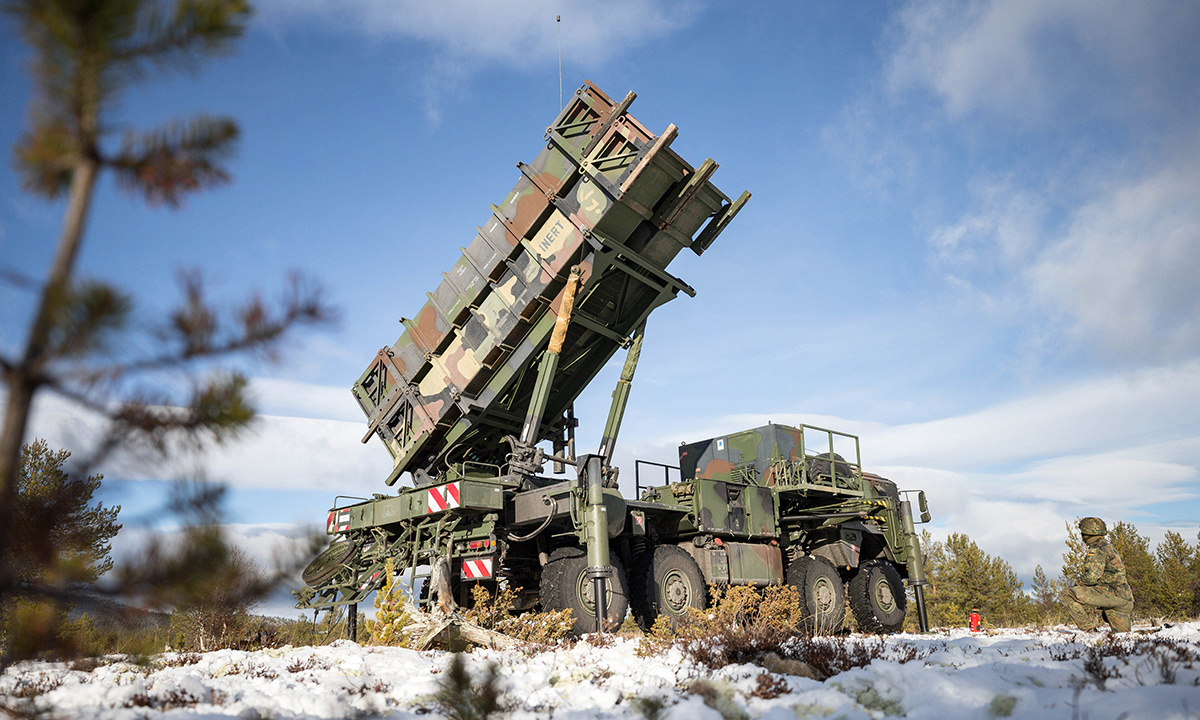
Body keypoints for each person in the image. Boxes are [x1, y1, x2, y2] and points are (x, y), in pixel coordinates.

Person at [1060, 517, 1135, 632]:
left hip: (1111, 595)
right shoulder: (1108, 547)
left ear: (1086, 534)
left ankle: (1090, 632)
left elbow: (1091, 578)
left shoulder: (1096, 549)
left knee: (1067, 594)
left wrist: (1078, 583)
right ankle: (1156, 635)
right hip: (1125, 599)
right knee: (1124, 637)